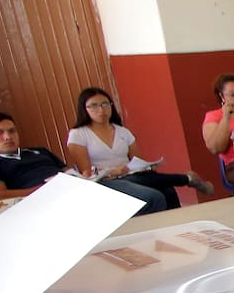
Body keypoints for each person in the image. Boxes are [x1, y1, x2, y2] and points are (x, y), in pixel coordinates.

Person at [67, 87, 213, 212]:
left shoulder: (122, 131)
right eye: (93, 106)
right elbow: (86, 172)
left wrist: (145, 166)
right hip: (106, 180)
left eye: (105, 104)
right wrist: (112, 171)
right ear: (84, 109)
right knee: (155, 196)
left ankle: (180, 226)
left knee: (168, 190)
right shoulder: (78, 134)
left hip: (130, 173)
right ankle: (187, 178)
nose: (101, 110)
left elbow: (136, 160)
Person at [0, 112, 68, 199]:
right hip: (39, 202)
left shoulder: (40, 151)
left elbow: (67, 172)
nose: (8, 137)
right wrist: (45, 189)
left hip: (70, 189)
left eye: (12, 131)